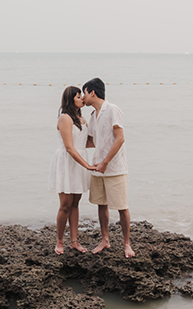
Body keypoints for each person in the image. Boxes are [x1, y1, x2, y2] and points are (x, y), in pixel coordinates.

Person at [82, 77, 133, 258]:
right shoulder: (92, 116)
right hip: (97, 167)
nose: (83, 97)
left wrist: (106, 162)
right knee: (101, 204)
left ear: (92, 92)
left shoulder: (112, 110)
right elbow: (91, 142)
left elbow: (120, 138)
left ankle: (126, 244)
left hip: (115, 168)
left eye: (84, 93)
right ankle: (105, 239)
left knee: (122, 207)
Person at [48, 86, 96, 254]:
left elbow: (86, 143)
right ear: (70, 100)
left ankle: (74, 241)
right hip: (68, 162)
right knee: (65, 205)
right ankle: (60, 241)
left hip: (79, 160)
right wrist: (87, 165)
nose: (82, 98)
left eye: (81, 95)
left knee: (75, 203)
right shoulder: (65, 118)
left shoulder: (81, 118)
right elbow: (69, 147)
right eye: (78, 96)